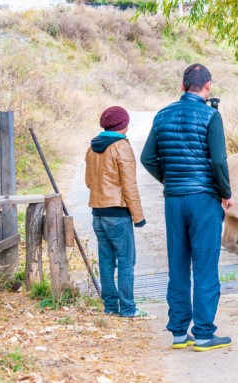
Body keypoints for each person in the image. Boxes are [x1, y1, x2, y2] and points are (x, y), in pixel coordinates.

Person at [140, 63, 234, 352]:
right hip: (204, 199)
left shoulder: (162, 115)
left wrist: (171, 179)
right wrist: (225, 193)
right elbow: (218, 162)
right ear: (207, 87)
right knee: (205, 266)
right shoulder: (210, 116)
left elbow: (147, 158)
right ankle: (204, 334)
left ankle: (179, 332)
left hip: (174, 200)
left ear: (182, 86)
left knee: (178, 265)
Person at [85, 106, 148, 317]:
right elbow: (129, 186)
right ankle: (128, 308)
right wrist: (138, 217)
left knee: (106, 261)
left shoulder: (92, 147)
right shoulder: (122, 147)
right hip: (118, 215)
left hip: (98, 213)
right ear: (124, 124)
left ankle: (110, 307)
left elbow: (88, 182)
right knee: (126, 261)